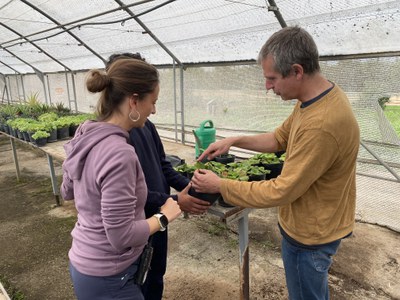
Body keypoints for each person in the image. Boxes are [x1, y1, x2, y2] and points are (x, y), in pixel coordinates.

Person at [191, 26, 360, 300]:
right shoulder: (313, 100)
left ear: (297, 71)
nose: (267, 87)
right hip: (310, 226)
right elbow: (278, 138)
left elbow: (282, 190)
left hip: (311, 238)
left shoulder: (322, 123)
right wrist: (234, 140)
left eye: (272, 79)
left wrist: (221, 185)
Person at [61, 58, 182, 300]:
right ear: (134, 101)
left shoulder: (85, 134)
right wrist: (164, 216)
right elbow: (121, 236)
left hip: (84, 261)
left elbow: (67, 190)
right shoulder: (119, 153)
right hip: (110, 275)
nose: (154, 110)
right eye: (153, 102)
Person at [106, 53, 211, 300]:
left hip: (160, 216)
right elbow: (131, 195)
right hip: (138, 222)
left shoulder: (146, 126)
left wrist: (192, 186)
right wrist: (173, 201)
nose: (153, 109)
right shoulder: (115, 142)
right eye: (151, 101)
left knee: (155, 275)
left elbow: (163, 165)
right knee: (138, 280)